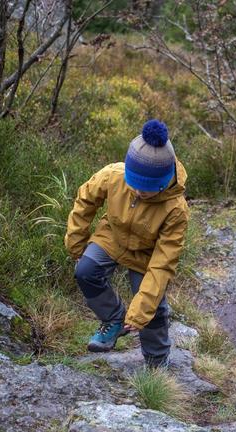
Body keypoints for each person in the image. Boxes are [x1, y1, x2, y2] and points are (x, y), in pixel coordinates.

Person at [64, 119, 188, 369]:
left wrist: (141, 309)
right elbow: (85, 201)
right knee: (86, 271)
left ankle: (156, 360)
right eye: (135, 185)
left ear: (164, 183)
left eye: (148, 189)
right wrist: (77, 244)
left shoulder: (176, 209)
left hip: (147, 254)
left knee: (151, 308)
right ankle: (114, 319)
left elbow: (163, 264)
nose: (139, 192)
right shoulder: (113, 175)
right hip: (113, 235)